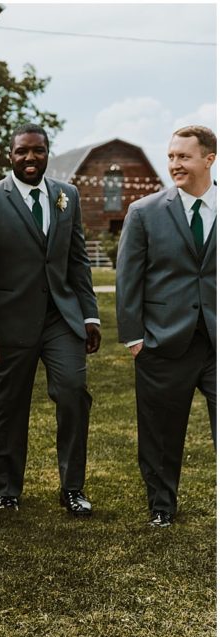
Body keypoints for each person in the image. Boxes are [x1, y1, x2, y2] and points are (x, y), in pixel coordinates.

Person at [0, 123, 101, 515]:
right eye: (22, 151)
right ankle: (7, 489)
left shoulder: (67, 196)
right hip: (10, 322)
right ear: (11, 155)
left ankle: (72, 488)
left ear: (47, 153)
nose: (30, 158)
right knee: (8, 405)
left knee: (74, 392)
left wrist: (89, 315)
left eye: (37, 151)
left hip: (61, 317)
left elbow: (77, 260)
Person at [115, 125, 217, 527]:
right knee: (160, 433)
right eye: (171, 156)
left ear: (208, 159)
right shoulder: (144, 212)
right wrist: (135, 338)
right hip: (162, 340)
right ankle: (162, 506)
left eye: (184, 157)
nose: (174, 164)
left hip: (216, 338)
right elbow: (128, 279)